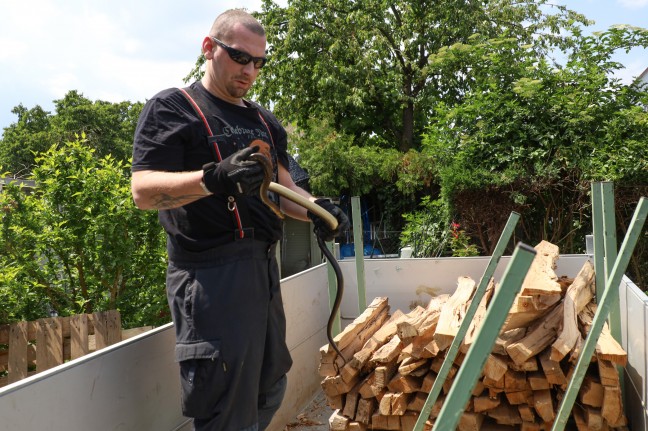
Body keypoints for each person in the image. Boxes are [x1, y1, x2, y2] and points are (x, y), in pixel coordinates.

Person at [130, 8, 349, 431]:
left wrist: (322, 210)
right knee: (224, 402)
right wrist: (213, 179)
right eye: (239, 57)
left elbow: (286, 191)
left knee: (271, 386)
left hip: (263, 269)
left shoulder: (265, 122)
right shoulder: (173, 109)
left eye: (259, 62)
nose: (250, 69)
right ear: (209, 48)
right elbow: (143, 191)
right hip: (209, 276)